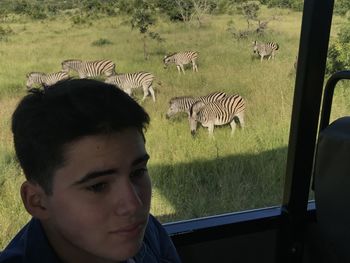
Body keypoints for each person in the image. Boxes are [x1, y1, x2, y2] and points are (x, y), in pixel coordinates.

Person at [0, 79, 181, 263]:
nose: (133, 205)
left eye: (138, 172)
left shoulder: (147, 231)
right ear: (37, 202)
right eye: (98, 186)